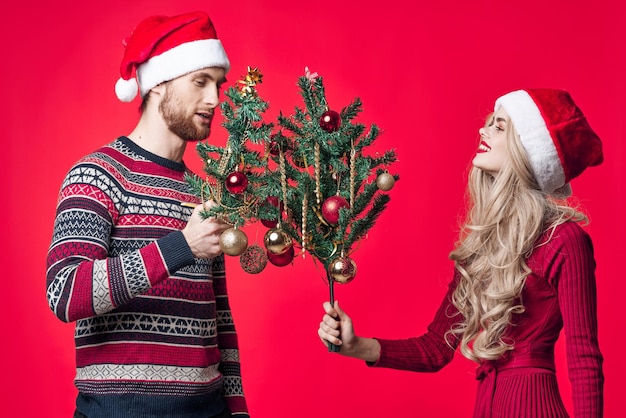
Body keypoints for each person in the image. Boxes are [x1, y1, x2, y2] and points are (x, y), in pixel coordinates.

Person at [318, 89, 604, 417]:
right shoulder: (481, 246)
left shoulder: (564, 240)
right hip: (486, 406)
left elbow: (584, 361)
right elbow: (435, 349)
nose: (482, 131)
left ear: (528, 149)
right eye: (488, 124)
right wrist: (355, 346)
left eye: (498, 127)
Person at [46, 12, 249, 418]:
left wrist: (238, 410)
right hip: (116, 411)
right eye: (200, 81)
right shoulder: (98, 175)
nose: (215, 99)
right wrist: (181, 246)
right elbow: (65, 292)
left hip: (209, 410)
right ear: (158, 83)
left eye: (218, 85)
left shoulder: (203, 192)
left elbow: (219, 317)